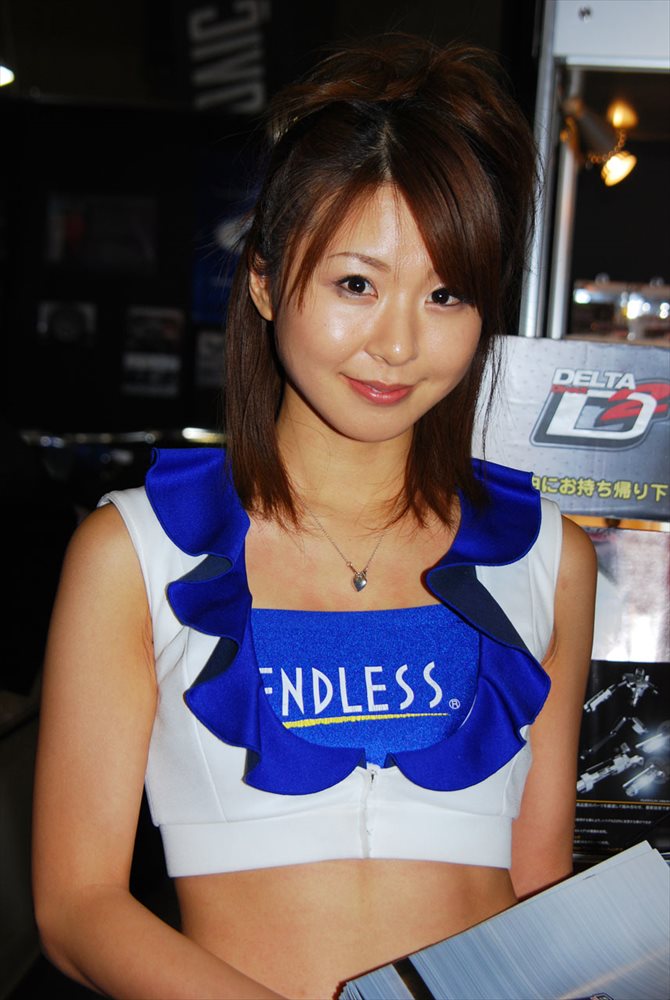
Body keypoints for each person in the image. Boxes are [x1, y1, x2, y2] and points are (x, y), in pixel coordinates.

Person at [32, 35, 597, 1000]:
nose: (398, 343)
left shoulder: (546, 557)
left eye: (446, 293)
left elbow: (539, 882)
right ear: (263, 278)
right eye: (356, 284)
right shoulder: (135, 553)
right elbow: (78, 908)